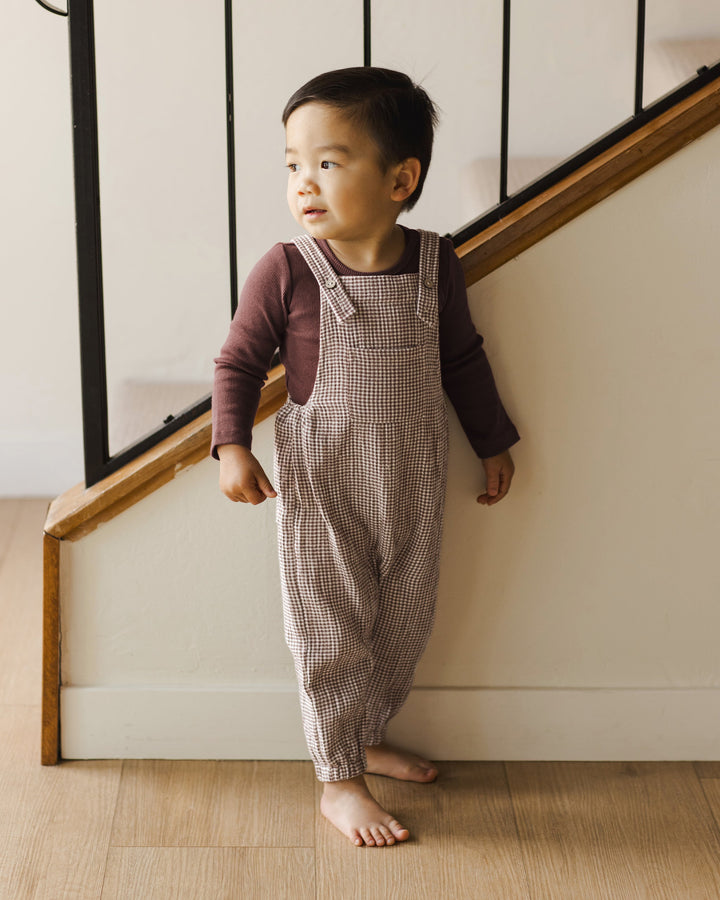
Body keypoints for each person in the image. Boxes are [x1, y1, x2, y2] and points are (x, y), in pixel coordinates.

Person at [212, 67, 519, 848]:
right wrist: (232, 445)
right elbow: (238, 364)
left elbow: (463, 359)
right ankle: (337, 778)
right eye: (291, 164)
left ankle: (366, 734)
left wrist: (493, 439)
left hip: (412, 484)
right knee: (331, 631)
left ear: (400, 178)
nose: (302, 183)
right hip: (324, 491)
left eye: (327, 162)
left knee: (402, 624)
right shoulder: (287, 270)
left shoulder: (434, 264)